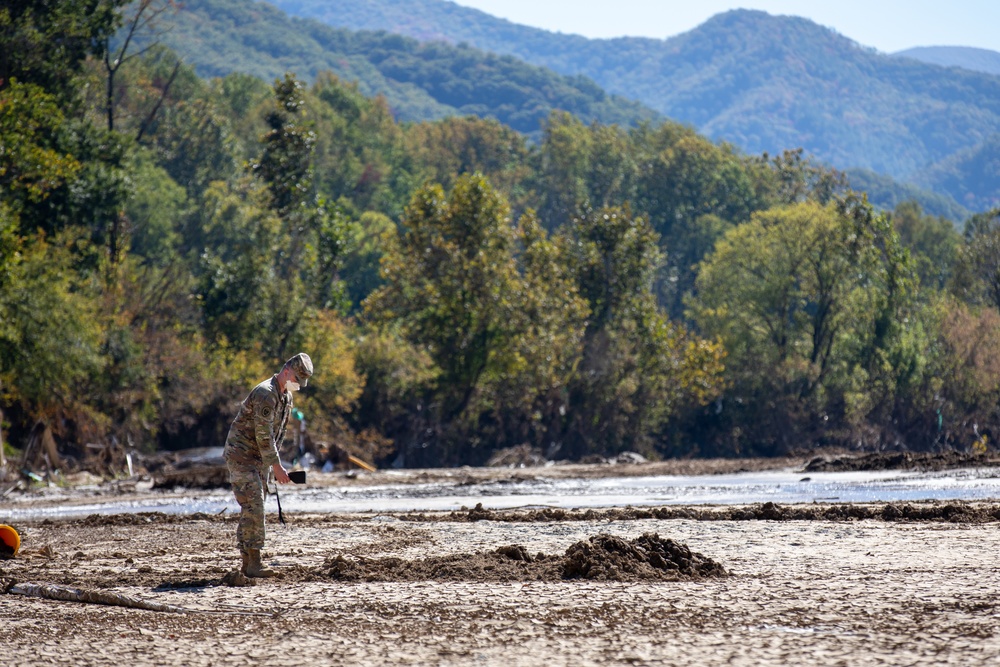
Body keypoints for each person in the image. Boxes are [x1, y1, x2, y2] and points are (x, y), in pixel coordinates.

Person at [223, 353, 313, 577]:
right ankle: (254, 562)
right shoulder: (266, 394)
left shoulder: (285, 397)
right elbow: (264, 435)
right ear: (286, 372)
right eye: (296, 379)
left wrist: (270, 465)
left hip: (258, 459)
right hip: (242, 456)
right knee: (255, 505)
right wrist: (276, 466)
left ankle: (247, 563)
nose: (297, 386)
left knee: (252, 506)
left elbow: (277, 434)